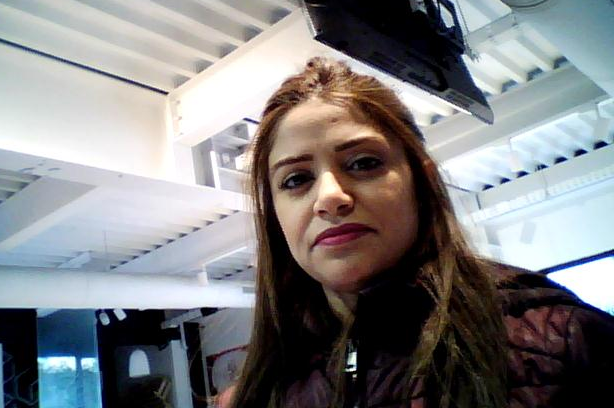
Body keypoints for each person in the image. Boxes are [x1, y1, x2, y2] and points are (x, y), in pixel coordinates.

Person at [221, 57, 614, 408]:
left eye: (363, 163)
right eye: (295, 180)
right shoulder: (254, 395)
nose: (330, 198)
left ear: (420, 182)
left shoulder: (564, 340)